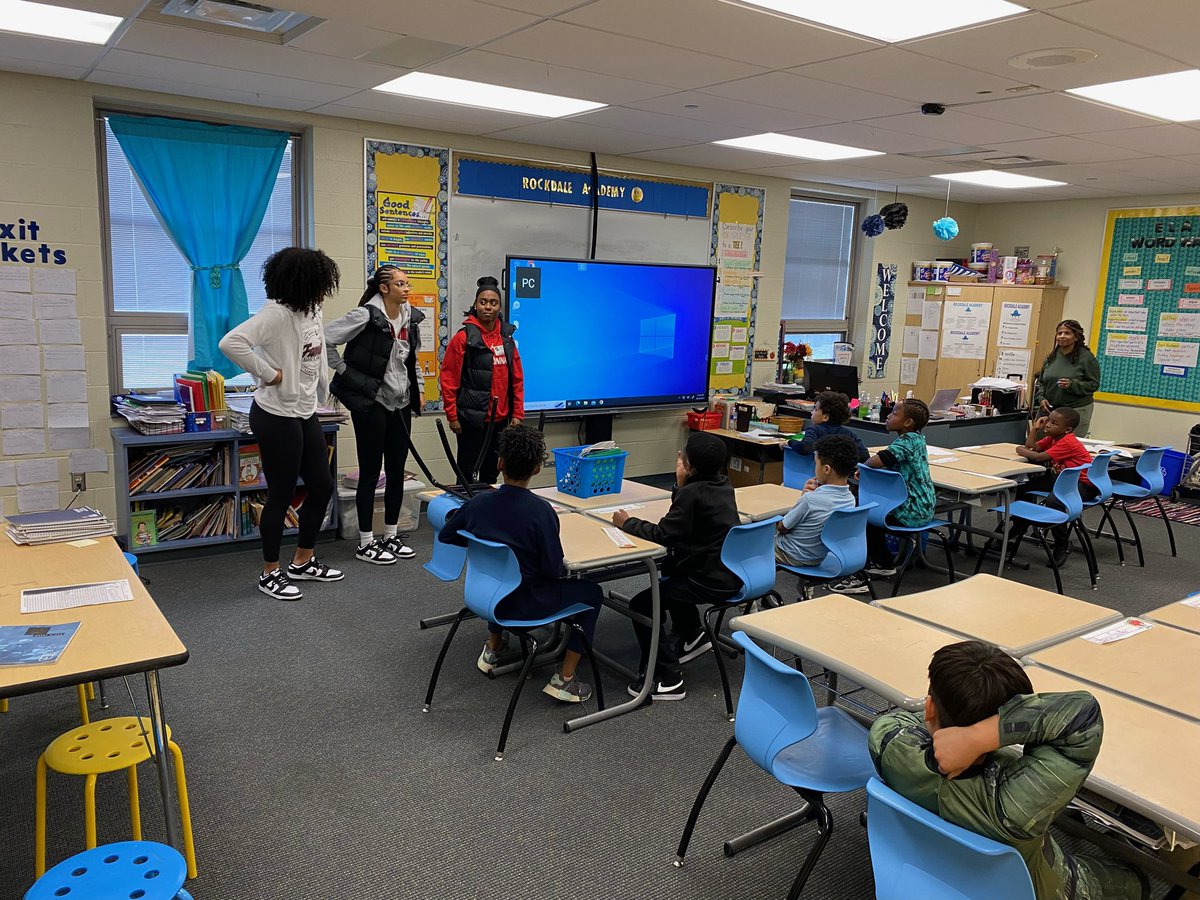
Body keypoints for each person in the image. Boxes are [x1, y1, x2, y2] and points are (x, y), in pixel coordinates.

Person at [869, 640, 1148, 900]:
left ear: (929, 707)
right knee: (1133, 879)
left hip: (924, 871)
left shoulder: (890, 746)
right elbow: (1082, 717)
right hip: (1035, 886)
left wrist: (959, 726)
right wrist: (981, 735)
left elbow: (905, 719)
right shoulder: (1013, 807)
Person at [438, 425, 603, 703]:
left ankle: (493, 648)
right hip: (526, 606)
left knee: (508, 575)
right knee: (593, 593)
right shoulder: (541, 512)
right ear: (538, 469)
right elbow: (553, 571)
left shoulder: (478, 504)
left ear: (499, 462)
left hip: (485, 596)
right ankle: (565, 679)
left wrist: (483, 545)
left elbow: (447, 533)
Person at [219, 247, 342, 601]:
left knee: (321, 486)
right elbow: (231, 342)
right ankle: (270, 571)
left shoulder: (313, 310)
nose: (323, 291)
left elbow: (313, 357)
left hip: (305, 412)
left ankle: (303, 561)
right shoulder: (275, 315)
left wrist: (322, 391)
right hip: (275, 415)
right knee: (281, 495)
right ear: (301, 284)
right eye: (319, 284)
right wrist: (269, 373)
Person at [612, 431, 740, 701]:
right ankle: (692, 634)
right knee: (671, 568)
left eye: (683, 456)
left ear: (690, 466)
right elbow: (684, 523)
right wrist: (682, 486)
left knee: (642, 605)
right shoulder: (724, 484)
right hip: (727, 572)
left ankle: (668, 677)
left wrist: (628, 523)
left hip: (707, 579)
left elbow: (665, 533)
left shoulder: (692, 493)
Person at [325, 265, 424, 566]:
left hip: (400, 401)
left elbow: (411, 360)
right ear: (384, 288)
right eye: (400, 284)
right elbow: (325, 339)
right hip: (372, 402)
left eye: (407, 283)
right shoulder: (365, 315)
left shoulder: (410, 317)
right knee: (371, 471)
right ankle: (366, 541)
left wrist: (417, 391)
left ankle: (391, 535)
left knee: (397, 469)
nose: (406, 289)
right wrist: (346, 372)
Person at [832, 398, 936, 595]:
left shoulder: (907, 441)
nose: (888, 416)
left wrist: (864, 468)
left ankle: (870, 567)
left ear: (908, 423)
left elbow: (882, 459)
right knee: (867, 511)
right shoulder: (917, 438)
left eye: (895, 413)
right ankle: (880, 561)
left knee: (861, 514)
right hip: (920, 506)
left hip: (913, 510)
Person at [439, 275, 524, 486]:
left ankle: (488, 514)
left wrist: (518, 413)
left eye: (493, 303)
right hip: (471, 420)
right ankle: (466, 516)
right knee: (466, 473)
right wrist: (452, 415)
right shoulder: (463, 338)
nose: (488, 307)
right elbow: (448, 379)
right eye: (483, 302)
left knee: (491, 473)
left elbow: (517, 379)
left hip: (501, 421)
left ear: (499, 307)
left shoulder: (507, 339)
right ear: (475, 305)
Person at [1014, 406, 1097, 567]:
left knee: (1056, 502)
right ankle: (1018, 526)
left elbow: (1038, 457)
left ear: (1067, 429)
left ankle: (1062, 545)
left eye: (1053, 423)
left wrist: (1020, 449)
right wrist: (1034, 429)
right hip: (1063, 479)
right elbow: (1033, 447)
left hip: (1083, 485)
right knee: (1025, 485)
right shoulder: (1054, 437)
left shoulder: (1068, 441)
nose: (1048, 425)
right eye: (1048, 420)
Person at [775, 434, 858, 567]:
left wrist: (802, 499)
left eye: (816, 463)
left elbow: (783, 527)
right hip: (818, 556)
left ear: (826, 469)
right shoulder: (850, 499)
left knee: (758, 536)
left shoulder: (810, 500)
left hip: (790, 553)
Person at [1033, 319, 1101, 438]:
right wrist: (1041, 398)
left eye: (1067, 333)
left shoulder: (1086, 358)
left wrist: (1072, 385)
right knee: (1039, 444)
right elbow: (1042, 382)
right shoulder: (1052, 356)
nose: (1062, 336)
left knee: (1066, 448)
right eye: (1059, 333)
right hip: (1050, 409)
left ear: (1076, 337)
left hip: (1075, 410)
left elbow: (1093, 384)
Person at [787, 391, 869, 462]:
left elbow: (805, 448)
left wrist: (789, 442)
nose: (812, 412)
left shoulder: (815, 430)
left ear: (825, 417)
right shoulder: (850, 434)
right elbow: (865, 456)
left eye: (815, 409)